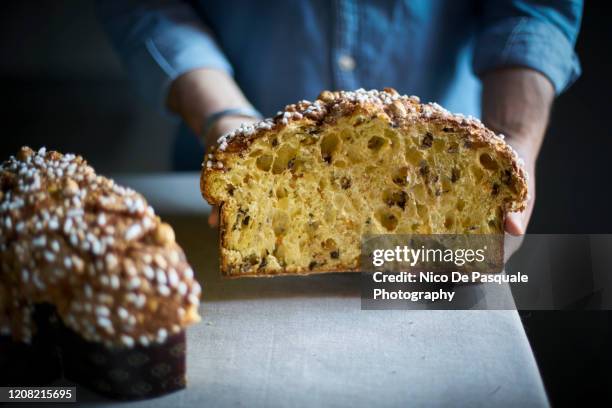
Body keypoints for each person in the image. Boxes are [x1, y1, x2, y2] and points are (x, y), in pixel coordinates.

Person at [96, 0, 582, 233]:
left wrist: (514, 135)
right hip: (226, 156)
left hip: (443, 183)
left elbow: (536, 8)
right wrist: (226, 121)